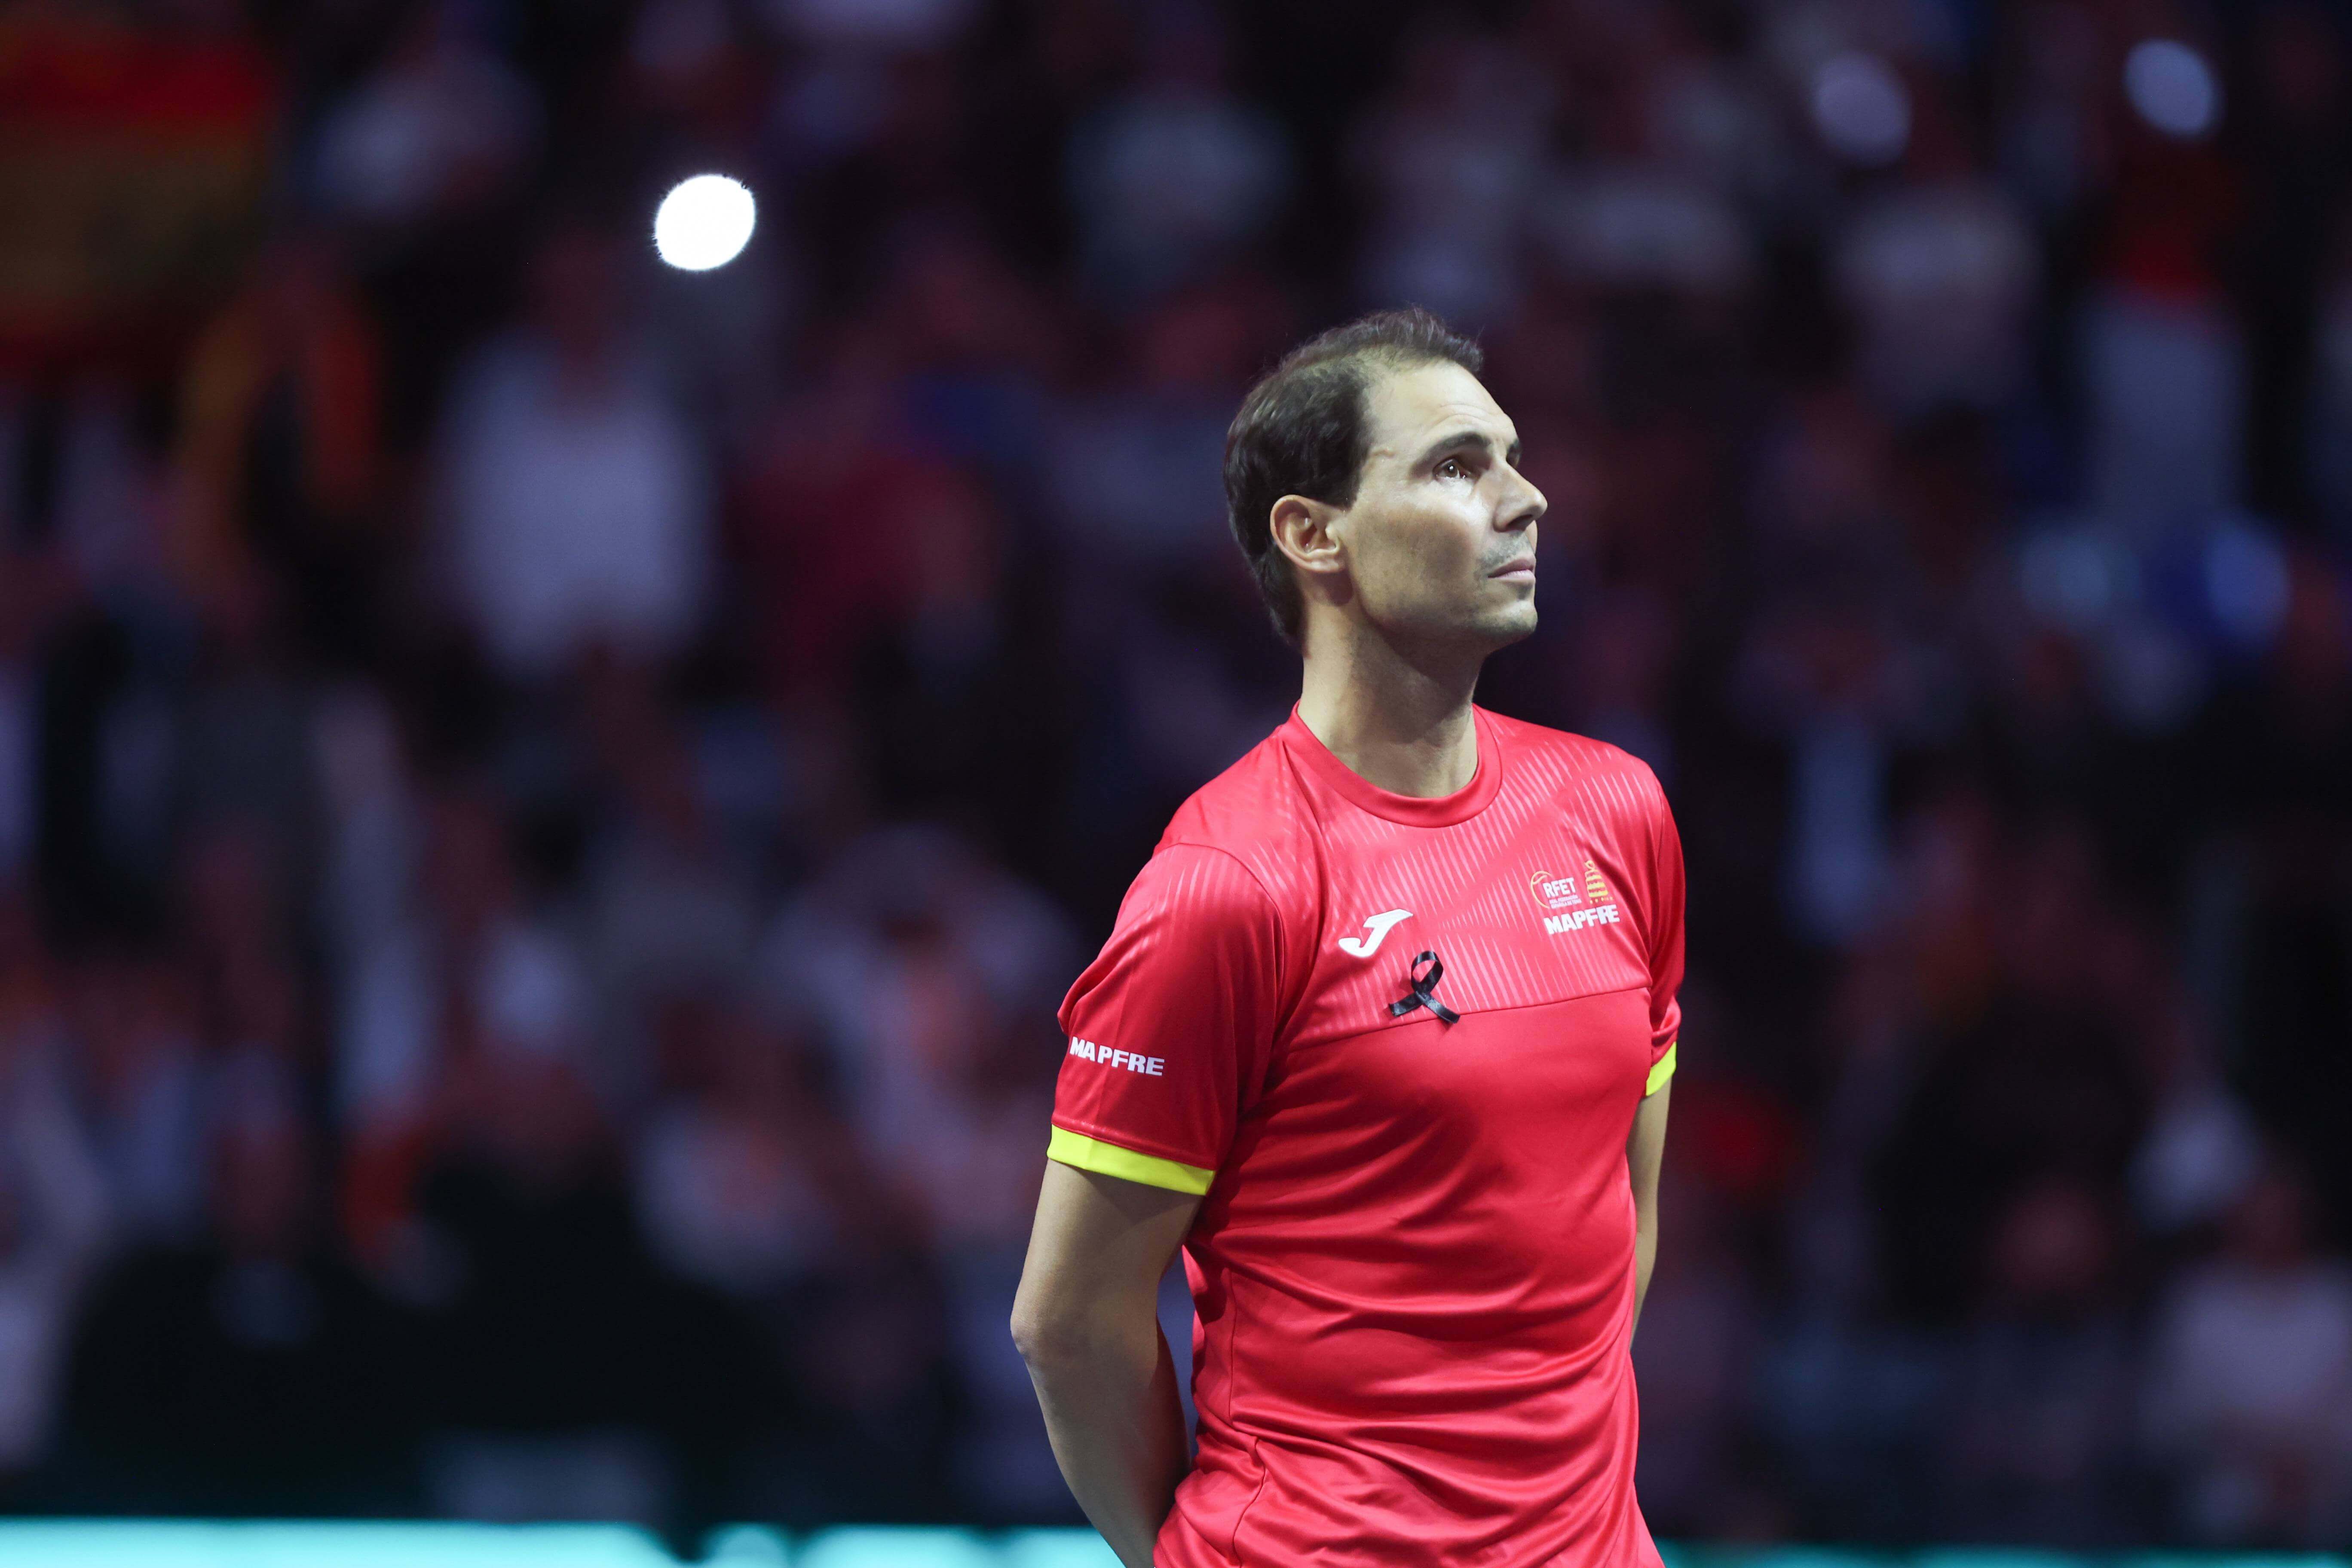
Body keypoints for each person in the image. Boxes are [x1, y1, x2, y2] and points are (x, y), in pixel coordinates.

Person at [1011, 309, 1684, 1568]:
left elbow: (1615, 1221)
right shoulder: (1228, 885)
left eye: (1514, 455)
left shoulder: (1618, 811)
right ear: (1314, 535)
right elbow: (1071, 1322)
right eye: (1455, 465)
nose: (1526, 497)